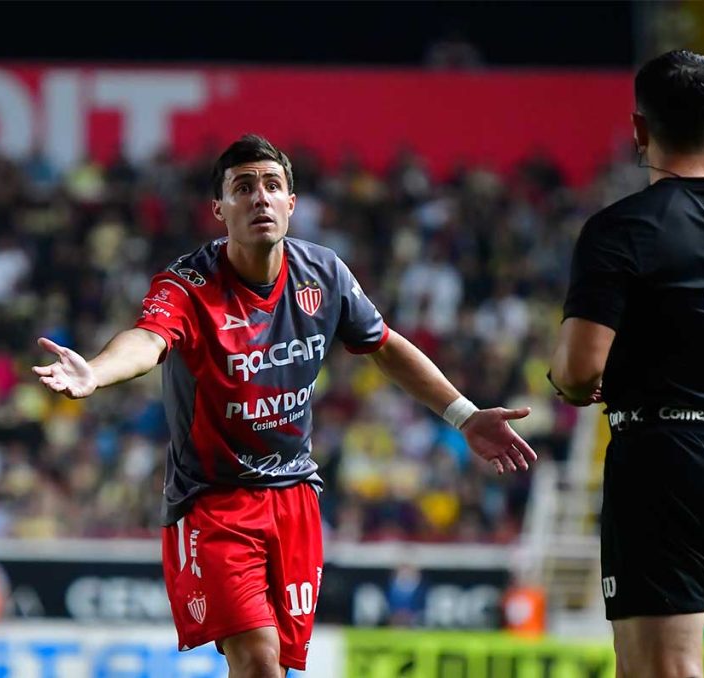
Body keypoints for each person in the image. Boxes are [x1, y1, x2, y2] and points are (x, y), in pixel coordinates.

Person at [32, 134, 536, 677]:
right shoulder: (188, 283)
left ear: (292, 205)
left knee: (276, 666)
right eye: (243, 188)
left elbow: (383, 345)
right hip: (215, 501)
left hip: (295, 496)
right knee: (259, 658)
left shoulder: (324, 274)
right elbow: (148, 340)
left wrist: (463, 415)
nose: (260, 199)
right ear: (218, 209)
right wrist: (96, 372)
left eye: (272, 186)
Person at [549, 36, 704, 677]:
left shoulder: (622, 229)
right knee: (644, 665)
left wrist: (569, 384)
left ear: (637, 129)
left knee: (666, 668)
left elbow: (577, 372)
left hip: (664, 459)